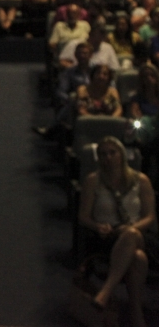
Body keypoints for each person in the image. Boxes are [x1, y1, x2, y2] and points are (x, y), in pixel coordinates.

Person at [78, 137, 158, 327]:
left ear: (122, 155)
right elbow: (83, 217)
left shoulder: (141, 180)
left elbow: (149, 217)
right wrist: (98, 226)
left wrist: (131, 228)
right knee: (138, 258)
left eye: (112, 153)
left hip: (137, 233)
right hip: (106, 237)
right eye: (103, 154)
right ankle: (136, 312)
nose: (108, 158)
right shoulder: (93, 181)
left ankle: (105, 293)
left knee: (131, 235)